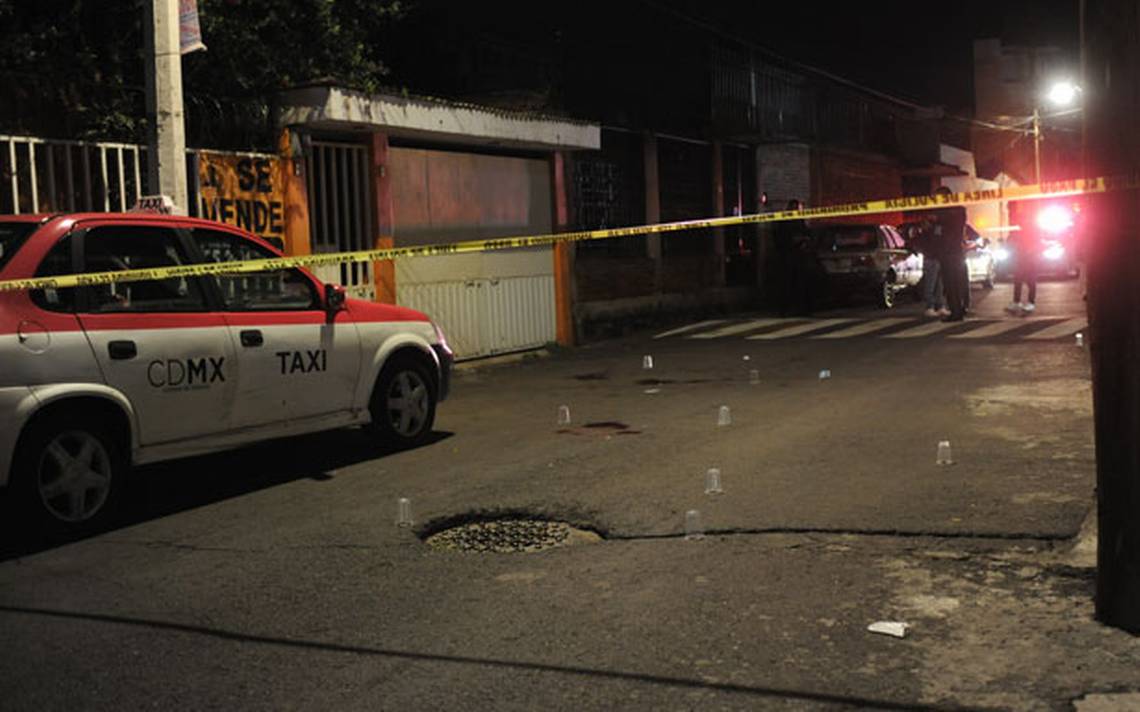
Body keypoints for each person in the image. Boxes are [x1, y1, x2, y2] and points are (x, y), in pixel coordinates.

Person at [932, 187, 968, 321]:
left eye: (938, 197)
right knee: (950, 284)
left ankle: (957, 311)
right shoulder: (945, 212)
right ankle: (957, 309)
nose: (936, 201)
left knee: (953, 283)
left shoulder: (956, 211)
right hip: (947, 252)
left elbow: (951, 222)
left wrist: (937, 218)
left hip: (952, 252)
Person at [1007, 222, 1041, 315]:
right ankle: (1018, 302)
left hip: (1030, 260)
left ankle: (1030, 302)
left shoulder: (1033, 233)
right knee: (1019, 280)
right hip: (1022, 259)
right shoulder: (1022, 233)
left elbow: (1036, 245)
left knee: (1030, 281)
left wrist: (1030, 252)